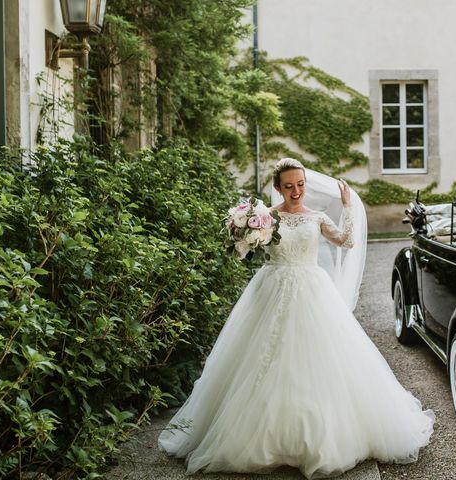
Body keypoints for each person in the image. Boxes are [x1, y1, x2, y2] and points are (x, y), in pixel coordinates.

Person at [158, 158, 434, 478]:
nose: (296, 191)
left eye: (300, 184)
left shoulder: (316, 217)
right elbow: (243, 250)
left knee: (315, 360)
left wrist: (347, 207)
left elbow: (348, 241)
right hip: (270, 288)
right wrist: (244, 232)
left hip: (311, 290)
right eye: (289, 186)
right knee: (260, 357)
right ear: (278, 188)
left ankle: (315, 436)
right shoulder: (265, 218)